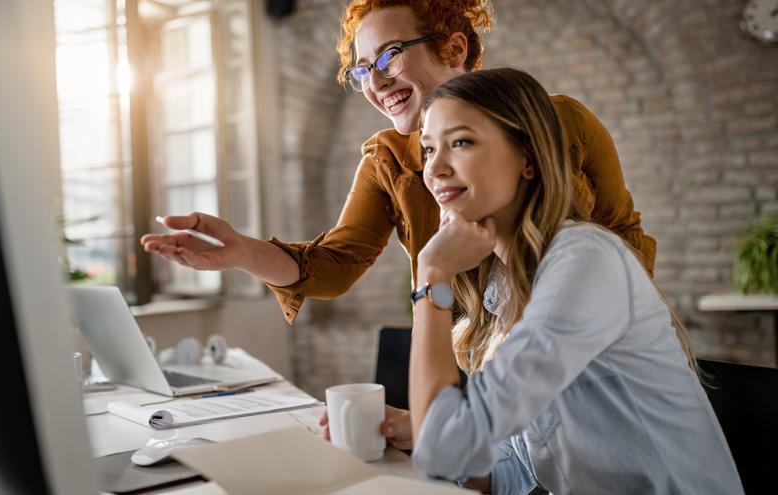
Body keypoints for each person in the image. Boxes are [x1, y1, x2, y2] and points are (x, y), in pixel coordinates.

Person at [140, 0, 655, 450]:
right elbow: (334, 265)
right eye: (363, 69)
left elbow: (623, 238)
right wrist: (240, 252)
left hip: (586, 363)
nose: (377, 82)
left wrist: (597, 327)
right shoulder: (388, 160)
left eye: (390, 55)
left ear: (454, 49)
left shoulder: (556, 126)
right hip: (481, 375)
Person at [408, 67, 742, 494]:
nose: (433, 170)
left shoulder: (585, 262)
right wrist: (427, 432)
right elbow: (521, 470)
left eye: (461, 142)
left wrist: (432, 274)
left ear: (527, 158)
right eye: (429, 149)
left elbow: (442, 451)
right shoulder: (506, 286)